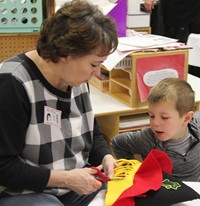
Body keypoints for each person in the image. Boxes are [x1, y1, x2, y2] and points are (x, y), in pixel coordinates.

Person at [0, 0, 118, 205]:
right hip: (24, 192)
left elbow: (92, 131)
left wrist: (105, 157)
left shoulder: (76, 77)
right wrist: (66, 179)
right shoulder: (12, 83)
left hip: (73, 186)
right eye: (94, 64)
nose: (97, 73)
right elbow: (3, 166)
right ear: (65, 53)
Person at [111, 78, 200, 182]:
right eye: (151, 116)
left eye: (164, 117)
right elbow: (117, 143)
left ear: (186, 118)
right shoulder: (146, 139)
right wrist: (132, 170)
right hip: (165, 194)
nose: (155, 123)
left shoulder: (197, 127)